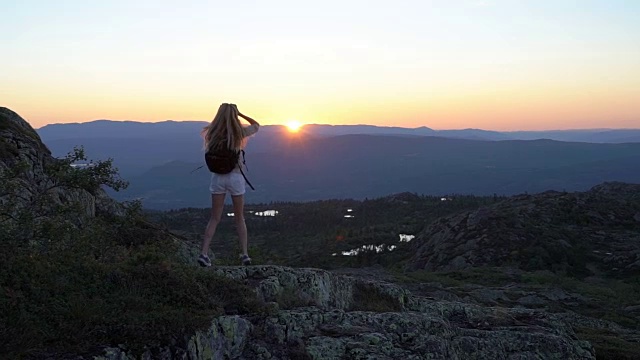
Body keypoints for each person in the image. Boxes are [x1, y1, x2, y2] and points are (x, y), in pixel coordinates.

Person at [198, 103, 260, 267]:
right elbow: (256, 125)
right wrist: (240, 114)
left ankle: (204, 253)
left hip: (217, 177)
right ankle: (245, 254)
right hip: (235, 178)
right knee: (239, 218)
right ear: (234, 115)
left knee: (214, 218)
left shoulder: (211, 133)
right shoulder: (238, 133)